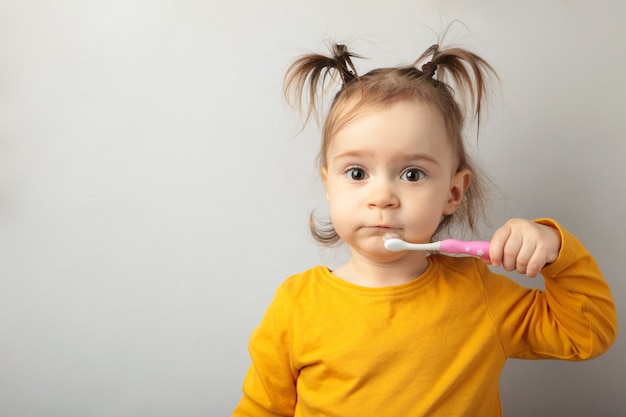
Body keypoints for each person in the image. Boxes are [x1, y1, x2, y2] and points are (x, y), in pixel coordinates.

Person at [231, 35, 618, 417]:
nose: (382, 196)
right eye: (357, 172)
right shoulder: (296, 305)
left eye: (412, 174)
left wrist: (555, 248)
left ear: (452, 192)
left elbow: (588, 333)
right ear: (328, 185)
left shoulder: (477, 292)